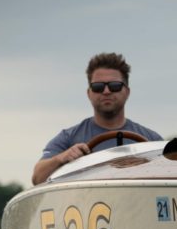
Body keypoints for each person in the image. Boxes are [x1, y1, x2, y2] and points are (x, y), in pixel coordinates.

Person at [32, 52, 163, 184]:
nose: (106, 91)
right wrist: (61, 158)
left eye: (114, 86)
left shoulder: (152, 141)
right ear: (89, 93)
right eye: (98, 87)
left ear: (127, 92)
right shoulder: (68, 139)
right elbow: (37, 178)